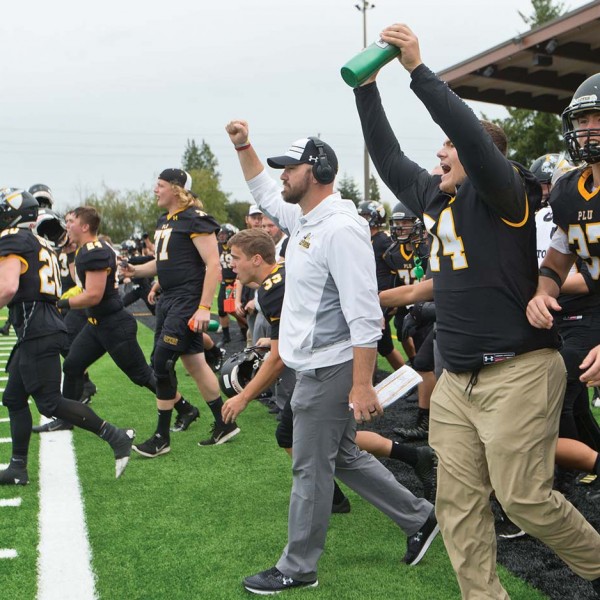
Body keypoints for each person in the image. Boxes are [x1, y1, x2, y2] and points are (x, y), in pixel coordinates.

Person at [353, 24, 600, 599]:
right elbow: (387, 156)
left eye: (449, 151)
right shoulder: (436, 197)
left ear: (476, 156)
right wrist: (365, 88)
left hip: (516, 370)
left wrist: (417, 71)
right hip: (456, 378)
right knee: (458, 503)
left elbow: (462, 128)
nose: (438, 156)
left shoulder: (506, 192)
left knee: (524, 498)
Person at [225, 123, 438, 595]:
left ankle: (298, 566)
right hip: (317, 362)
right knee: (342, 456)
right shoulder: (308, 218)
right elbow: (261, 186)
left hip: (330, 364)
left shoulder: (339, 228)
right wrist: (244, 145)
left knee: (309, 465)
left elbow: (364, 313)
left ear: (318, 170)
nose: (282, 176)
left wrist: (362, 384)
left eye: (290, 167)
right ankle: (421, 517)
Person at [0, 188, 134, 483]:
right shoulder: (39, 241)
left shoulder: (12, 238)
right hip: (43, 323)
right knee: (14, 397)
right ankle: (18, 468)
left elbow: (8, 287)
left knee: (49, 402)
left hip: (37, 327)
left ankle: (116, 436)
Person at [123, 168, 238, 456]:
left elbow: (213, 265)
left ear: (175, 189)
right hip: (170, 299)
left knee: (161, 362)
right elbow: (166, 261)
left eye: (159, 185)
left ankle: (161, 437)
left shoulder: (194, 219)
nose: (155, 190)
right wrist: (138, 271)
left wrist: (203, 308)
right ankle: (223, 423)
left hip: (187, 300)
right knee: (195, 363)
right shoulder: (166, 220)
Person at [527, 74, 600, 510]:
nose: (587, 128)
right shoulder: (570, 189)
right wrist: (541, 292)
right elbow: (556, 262)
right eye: (583, 118)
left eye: (598, 117)